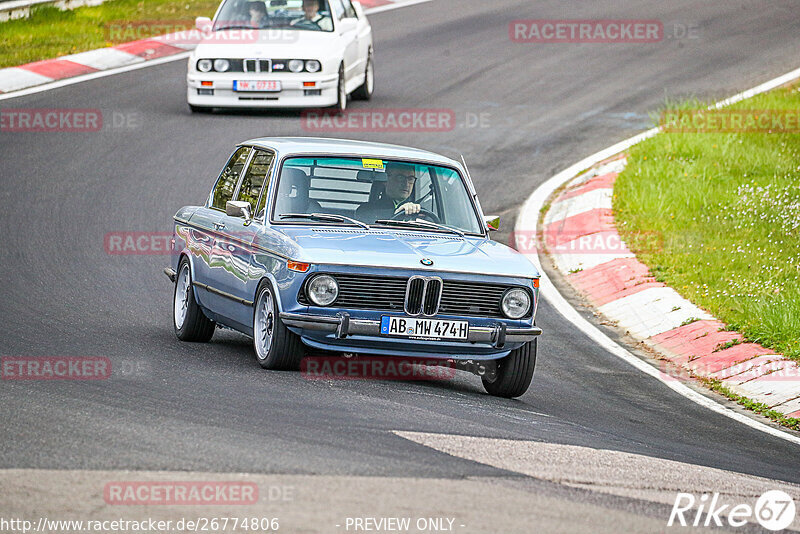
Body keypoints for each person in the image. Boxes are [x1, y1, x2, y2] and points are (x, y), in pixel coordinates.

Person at [356, 162, 422, 222]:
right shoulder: (366, 210)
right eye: (400, 177)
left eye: (410, 179)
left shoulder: (419, 211)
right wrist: (399, 212)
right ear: (386, 179)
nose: (406, 184)